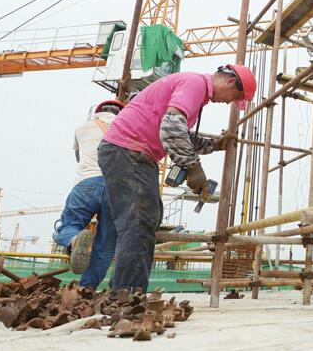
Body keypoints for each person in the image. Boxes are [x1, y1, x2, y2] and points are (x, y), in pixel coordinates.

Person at [98, 64, 257, 291]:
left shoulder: (195, 90)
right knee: (138, 222)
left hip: (130, 152)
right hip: (129, 151)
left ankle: (126, 291)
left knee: (145, 219)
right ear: (231, 82)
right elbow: (171, 127)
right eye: (235, 97)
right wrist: (192, 167)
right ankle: (126, 295)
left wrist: (214, 145)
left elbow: (180, 132)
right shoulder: (194, 84)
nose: (229, 102)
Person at [53, 99, 123, 288]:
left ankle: (73, 239)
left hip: (86, 183)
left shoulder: (81, 128)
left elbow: (78, 157)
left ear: (97, 113)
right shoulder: (125, 127)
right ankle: (87, 288)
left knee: (69, 225)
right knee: (106, 243)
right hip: (115, 188)